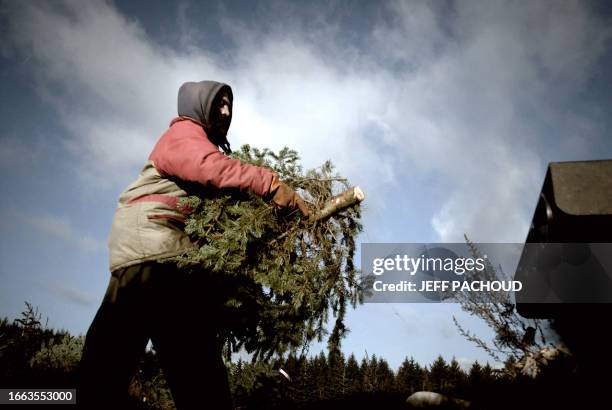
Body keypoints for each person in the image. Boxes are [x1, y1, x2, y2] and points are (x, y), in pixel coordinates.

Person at [78, 81, 309, 409]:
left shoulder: (199, 145)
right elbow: (210, 168)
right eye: (220, 103)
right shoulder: (184, 135)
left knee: (109, 361)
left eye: (230, 105)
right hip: (160, 255)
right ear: (199, 105)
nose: (227, 111)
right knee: (195, 366)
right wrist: (269, 184)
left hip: (143, 258)